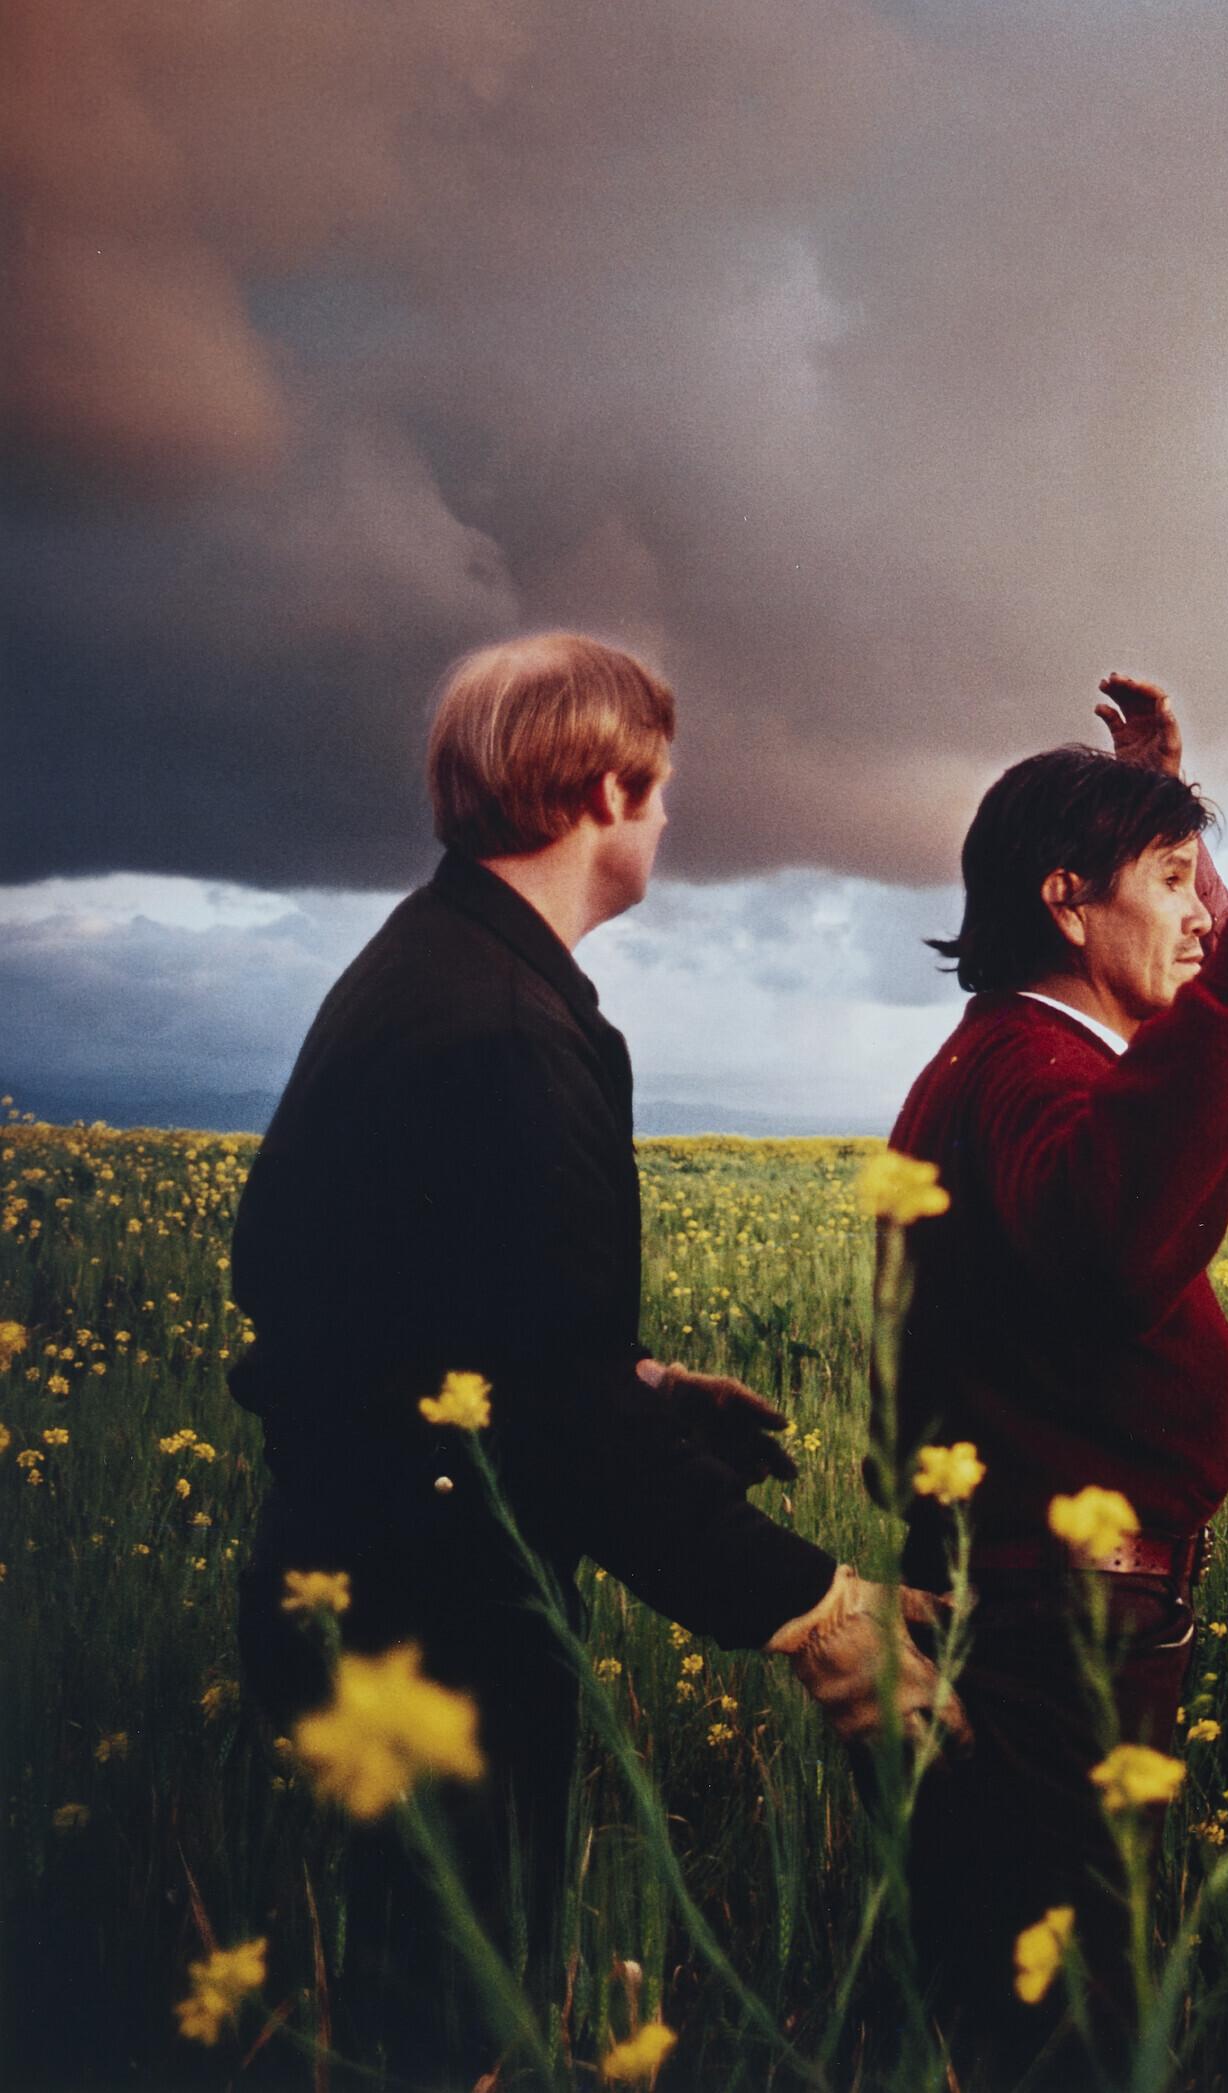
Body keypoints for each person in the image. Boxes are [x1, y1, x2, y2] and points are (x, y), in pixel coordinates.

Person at [228, 632, 940, 2080]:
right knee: (447, 2037)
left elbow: (403, 1315)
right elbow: (545, 1425)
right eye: (661, 785)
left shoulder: (431, 969)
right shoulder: (503, 1025)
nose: (669, 818)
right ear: (605, 786)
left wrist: (642, 1385)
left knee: (415, 2012)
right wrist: (811, 1608)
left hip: (361, 1575)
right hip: (431, 1620)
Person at [879, 679, 1228, 2085]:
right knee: (1061, 2006)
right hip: (1056, 1620)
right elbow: (1115, 1234)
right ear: (1067, 902)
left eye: (1203, 887)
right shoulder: (1025, 1066)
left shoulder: (1025, 1056)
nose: (1200, 915)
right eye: (1169, 882)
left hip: (1046, 1602)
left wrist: (1157, 806)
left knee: (1040, 1973)